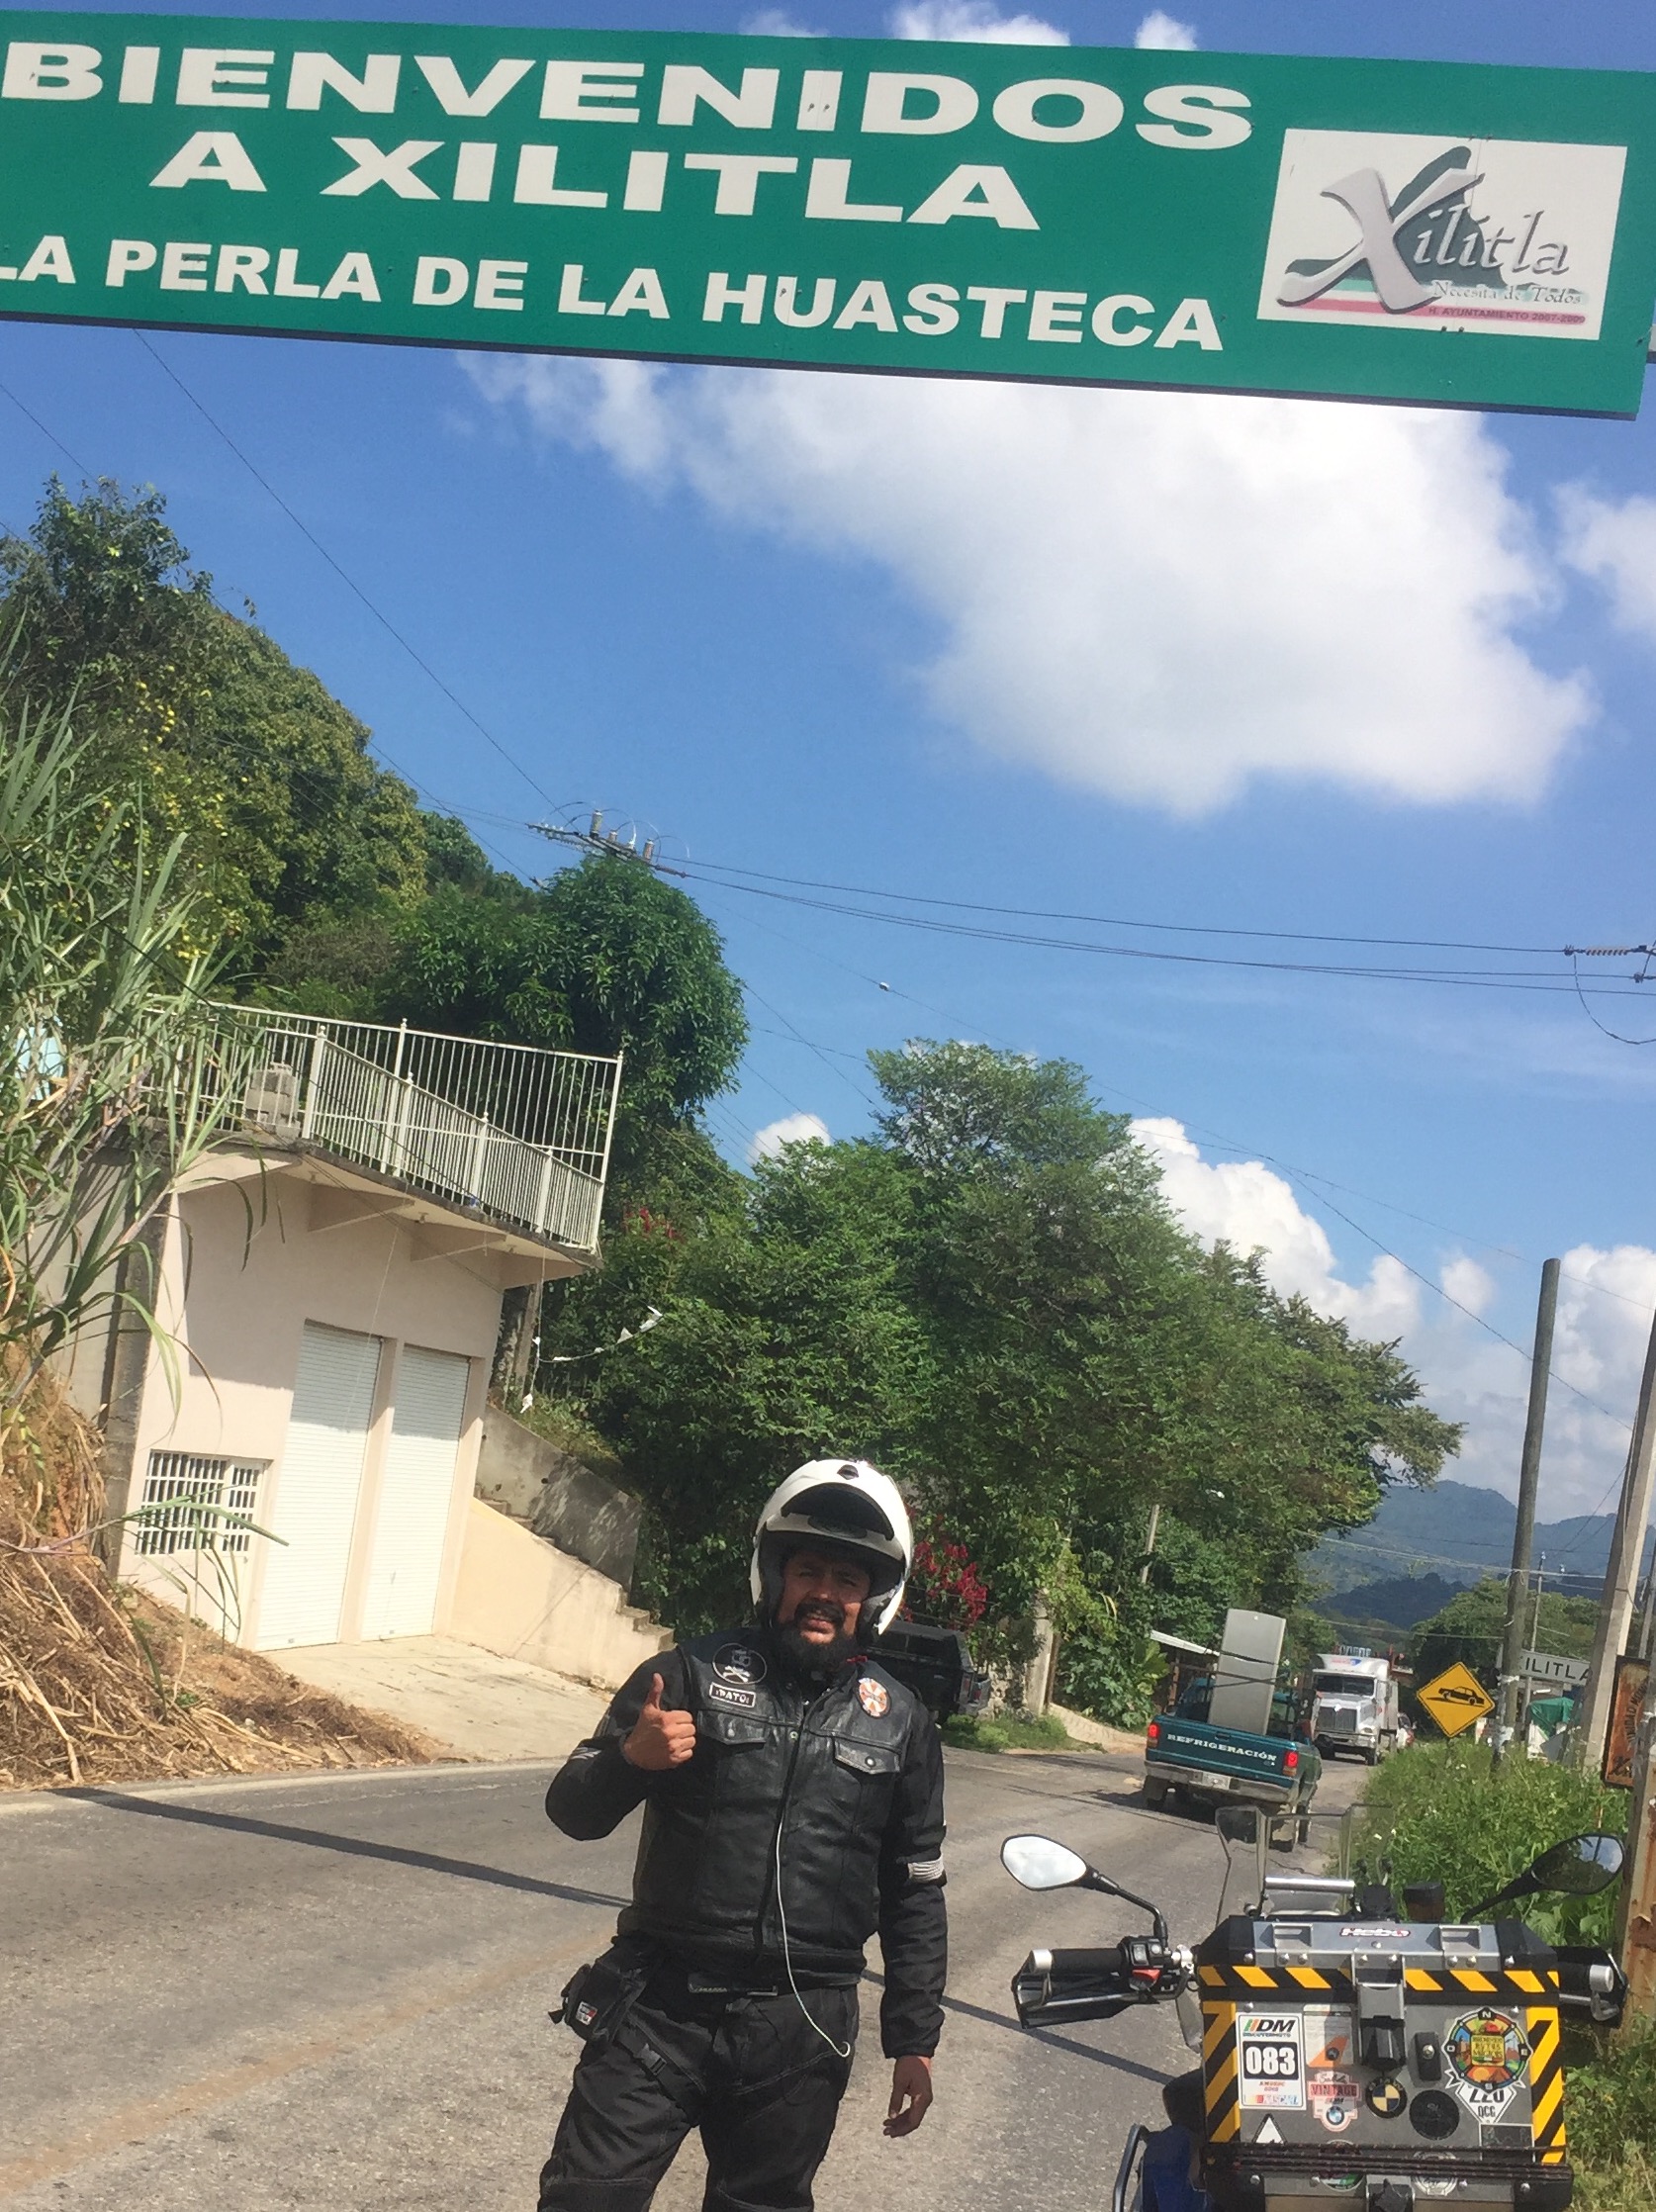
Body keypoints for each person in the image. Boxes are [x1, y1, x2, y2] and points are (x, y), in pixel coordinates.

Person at [538, 1459, 947, 2212]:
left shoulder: (902, 1722)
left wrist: (913, 2039)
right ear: (773, 1574)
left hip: (802, 2029)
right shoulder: (685, 1675)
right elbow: (573, 1810)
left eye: (848, 1579)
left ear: (875, 1598)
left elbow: (914, 1891)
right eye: (809, 1569)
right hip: (659, 2004)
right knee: (584, 2199)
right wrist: (632, 1761)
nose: (825, 1592)